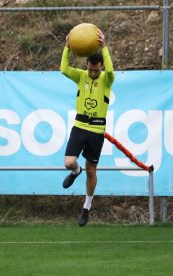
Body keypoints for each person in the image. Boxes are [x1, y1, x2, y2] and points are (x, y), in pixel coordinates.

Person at [60, 29, 115, 226]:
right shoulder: (81, 77)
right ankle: (76, 172)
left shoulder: (107, 80)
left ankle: (87, 207)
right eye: (90, 69)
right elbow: (64, 69)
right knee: (68, 162)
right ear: (87, 67)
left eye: (96, 70)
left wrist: (105, 47)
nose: (93, 73)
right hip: (79, 126)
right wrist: (67, 47)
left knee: (92, 170)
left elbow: (110, 71)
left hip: (96, 131)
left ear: (100, 68)